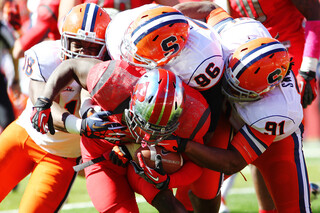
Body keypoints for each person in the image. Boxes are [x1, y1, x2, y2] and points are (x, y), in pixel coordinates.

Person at [163, 2, 311, 212]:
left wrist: (182, 144)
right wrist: (168, 18)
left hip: (274, 142)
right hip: (224, 118)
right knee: (196, 194)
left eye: (239, 87)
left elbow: (232, 162)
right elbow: (209, 8)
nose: (229, 86)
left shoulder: (276, 110)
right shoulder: (235, 36)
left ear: (262, 92)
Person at [30, 57, 211, 212]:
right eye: (144, 124)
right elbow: (71, 66)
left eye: (158, 130)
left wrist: (168, 180)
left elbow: (196, 164)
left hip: (142, 163)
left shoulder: (195, 116)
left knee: (174, 209)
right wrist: (46, 100)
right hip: (102, 158)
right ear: (132, 102)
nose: (147, 133)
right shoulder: (114, 83)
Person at [0, 3, 113, 212]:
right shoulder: (46, 56)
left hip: (61, 159)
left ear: (105, 49)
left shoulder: (110, 70)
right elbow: (41, 103)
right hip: (23, 137)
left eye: (92, 47)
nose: (83, 53)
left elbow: (89, 96)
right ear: (64, 41)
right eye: (77, 44)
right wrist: (81, 125)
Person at [106, 3, 225, 132]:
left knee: (201, 123)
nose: (131, 57)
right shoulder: (126, 23)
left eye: (142, 57)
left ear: (170, 56)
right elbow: (172, 15)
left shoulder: (201, 61)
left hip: (203, 73)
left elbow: (209, 97)